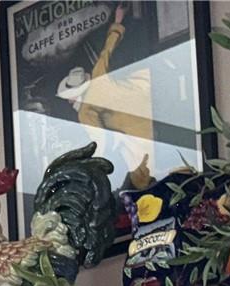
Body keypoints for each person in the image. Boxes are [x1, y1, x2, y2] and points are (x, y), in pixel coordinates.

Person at [56, 3, 157, 189]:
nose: (69, 101)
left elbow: (100, 146)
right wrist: (118, 20)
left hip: (141, 134)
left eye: (70, 97)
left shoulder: (85, 112)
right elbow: (107, 49)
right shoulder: (97, 76)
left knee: (141, 178)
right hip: (147, 92)